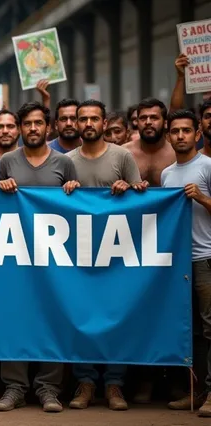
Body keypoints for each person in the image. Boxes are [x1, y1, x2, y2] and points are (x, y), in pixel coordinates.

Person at [0, 101, 78, 413]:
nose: (32, 129)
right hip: (15, 258)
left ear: (48, 127)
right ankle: (14, 387)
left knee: (52, 320)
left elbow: (74, 205)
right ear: (19, 128)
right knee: (14, 319)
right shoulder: (6, 161)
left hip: (53, 261)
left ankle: (48, 389)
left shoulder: (64, 163)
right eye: (27, 124)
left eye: (38, 123)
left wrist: (73, 188)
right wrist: (1, 185)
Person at [63, 100, 144, 411]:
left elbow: (143, 198)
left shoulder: (122, 156)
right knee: (82, 318)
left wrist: (130, 187)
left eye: (93, 118)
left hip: (117, 255)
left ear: (103, 122)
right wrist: (66, 190)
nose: (87, 124)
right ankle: (85, 383)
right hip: (79, 257)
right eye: (82, 119)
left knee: (115, 319)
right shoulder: (67, 161)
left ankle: (114, 385)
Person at [161, 109, 211, 418]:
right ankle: (199, 393)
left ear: (197, 134)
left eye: (186, 130)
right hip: (178, 265)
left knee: (210, 328)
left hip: (206, 258)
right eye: (175, 131)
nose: (180, 135)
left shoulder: (207, 167)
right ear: (169, 136)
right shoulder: (167, 174)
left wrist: (203, 198)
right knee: (190, 331)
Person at [123, 98, 175, 187]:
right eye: (143, 118)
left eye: (154, 118)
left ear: (165, 122)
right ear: (137, 122)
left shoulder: (176, 154)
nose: (148, 122)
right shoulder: (124, 152)